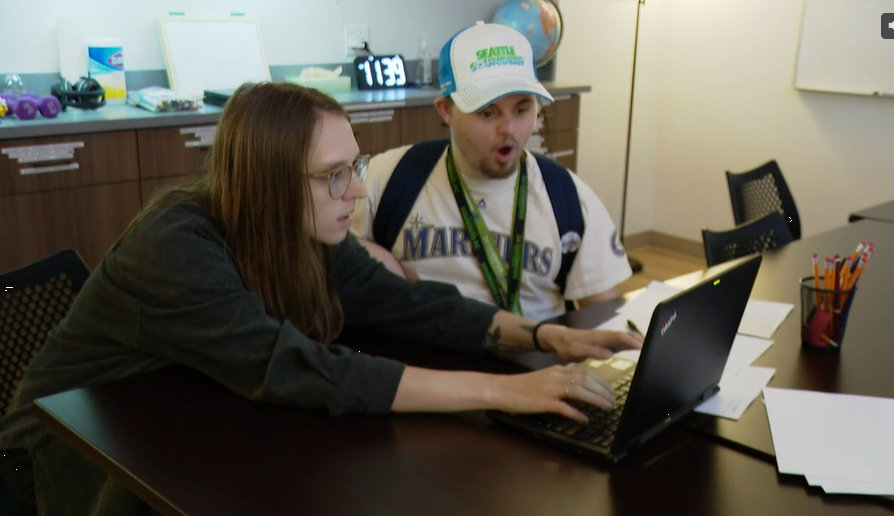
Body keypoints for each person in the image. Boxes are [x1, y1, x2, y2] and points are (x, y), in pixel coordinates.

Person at [0, 82, 642, 515]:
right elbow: (294, 367)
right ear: (271, 183)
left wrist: (539, 335)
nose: (356, 192)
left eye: (353, 168)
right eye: (334, 175)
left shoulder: (302, 226)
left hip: (183, 421)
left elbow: (403, 302)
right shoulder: (175, 244)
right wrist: (503, 391)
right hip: (67, 455)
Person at [351, 21, 634, 322]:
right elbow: (333, 270)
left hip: (537, 349)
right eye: (488, 112)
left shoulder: (568, 197)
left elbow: (603, 314)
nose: (508, 129)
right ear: (446, 109)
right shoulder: (387, 181)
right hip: (423, 349)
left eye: (522, 110)